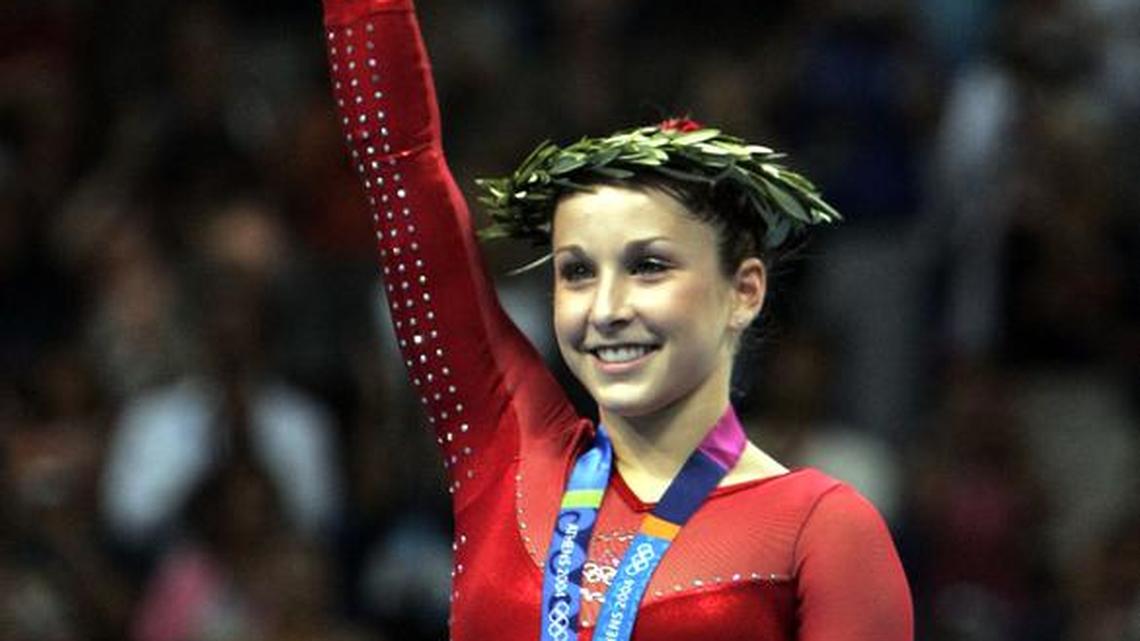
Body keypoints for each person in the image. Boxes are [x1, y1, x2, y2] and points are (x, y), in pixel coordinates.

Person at [320, 1, 913, 639]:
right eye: (577, 272)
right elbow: (399, 166)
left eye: (650, 267)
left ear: (742, 291)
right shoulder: (505, 452)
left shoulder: (819, 528)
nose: (606, 309)